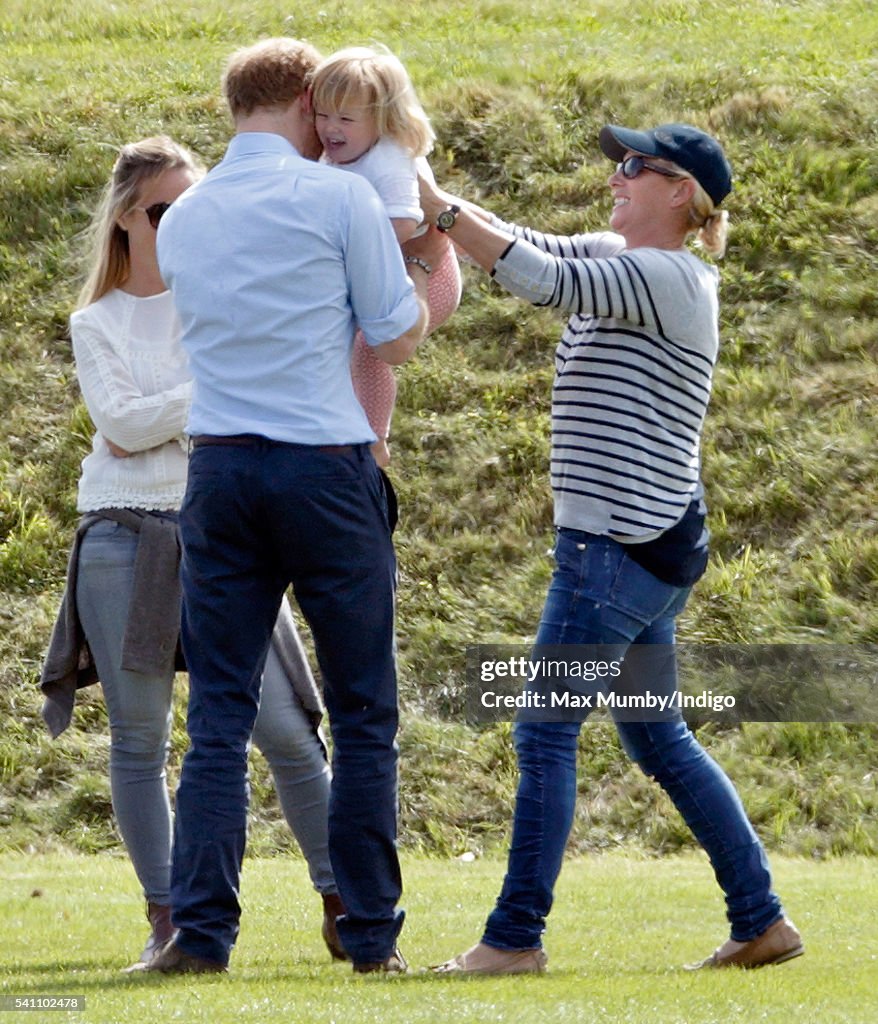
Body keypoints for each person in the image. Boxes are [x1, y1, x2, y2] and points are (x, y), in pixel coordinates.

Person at [418, 123, 805, 974]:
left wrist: (431, 205)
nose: (617, 177)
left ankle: (515, 940)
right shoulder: (628, 257)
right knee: (659, 739)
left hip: (611, 554)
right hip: (642, 550)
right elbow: (521, 243)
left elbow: (541, 280)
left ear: (681, 195)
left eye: (638, 167)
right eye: (618, 163)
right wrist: (422, 184)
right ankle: (761, 921)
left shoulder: (666, 274)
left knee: (543, 732)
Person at [147, 37, 439, 975]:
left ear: (235, 107)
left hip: (221, 469)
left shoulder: (183, 218)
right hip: (324, 466)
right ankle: (369, 939)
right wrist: (433, 256)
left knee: (219, 717)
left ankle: (200, 936)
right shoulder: (341, 196)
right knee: (361, 714)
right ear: (310, 102)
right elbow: (394, 339)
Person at [39, 136, 347, 972]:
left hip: (227, 532)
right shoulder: (93, 321)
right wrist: (209, 398)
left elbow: (157, 418)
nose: (184, 223)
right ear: (128, 221)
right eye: (167, 209)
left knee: (288, 732)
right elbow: (121, 424)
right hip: (123, 534)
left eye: (195, 206)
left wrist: (167, 410)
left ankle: (345, 905)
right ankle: (170, 923)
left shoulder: (230, 299)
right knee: (140, 741)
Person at [311, 45, 462, 466]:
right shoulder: (337, 154)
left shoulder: (390, 157)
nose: (329, 128)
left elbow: (401, 222)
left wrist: (349, 255)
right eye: (322, 115)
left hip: (427, 272)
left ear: (382, 120)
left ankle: (375, 441)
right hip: (381, 270)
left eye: (345, 118)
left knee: (371, 347)